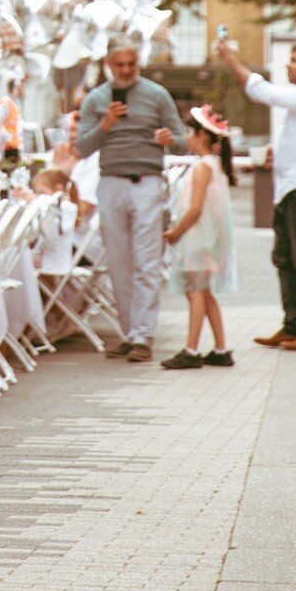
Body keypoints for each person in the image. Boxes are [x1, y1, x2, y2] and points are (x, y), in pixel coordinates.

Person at [217, 36, 296, 351]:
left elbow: (263, 92)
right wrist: (278, 152)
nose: (288, 63)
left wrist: (232, 60)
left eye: (295, 59)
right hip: (291, 189)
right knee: (285, 258)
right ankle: (292, 326)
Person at [74, 34, 185, 362]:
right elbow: (82, 148)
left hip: (147, 182)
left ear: (139, 63)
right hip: (111, 183)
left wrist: (169, 139)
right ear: (108, 65)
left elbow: (182, 142)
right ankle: (130, 331)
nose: (125, 70)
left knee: (147, 261)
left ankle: (143, 335)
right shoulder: (96, 99)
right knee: (118, 262)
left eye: (131, 64)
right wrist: (106, 124)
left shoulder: (157, 95)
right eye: (119, 65)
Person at [160, 105, 237, 370]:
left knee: (194, 294)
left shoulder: (203, 167)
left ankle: (191, 349)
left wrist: (175, 232)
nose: (187, 138)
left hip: (196, 239)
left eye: (190, 132)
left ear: (203, 135)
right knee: (205, 292)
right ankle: (220, 348)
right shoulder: (212, 165)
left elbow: (194, 209)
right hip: (205, 239)